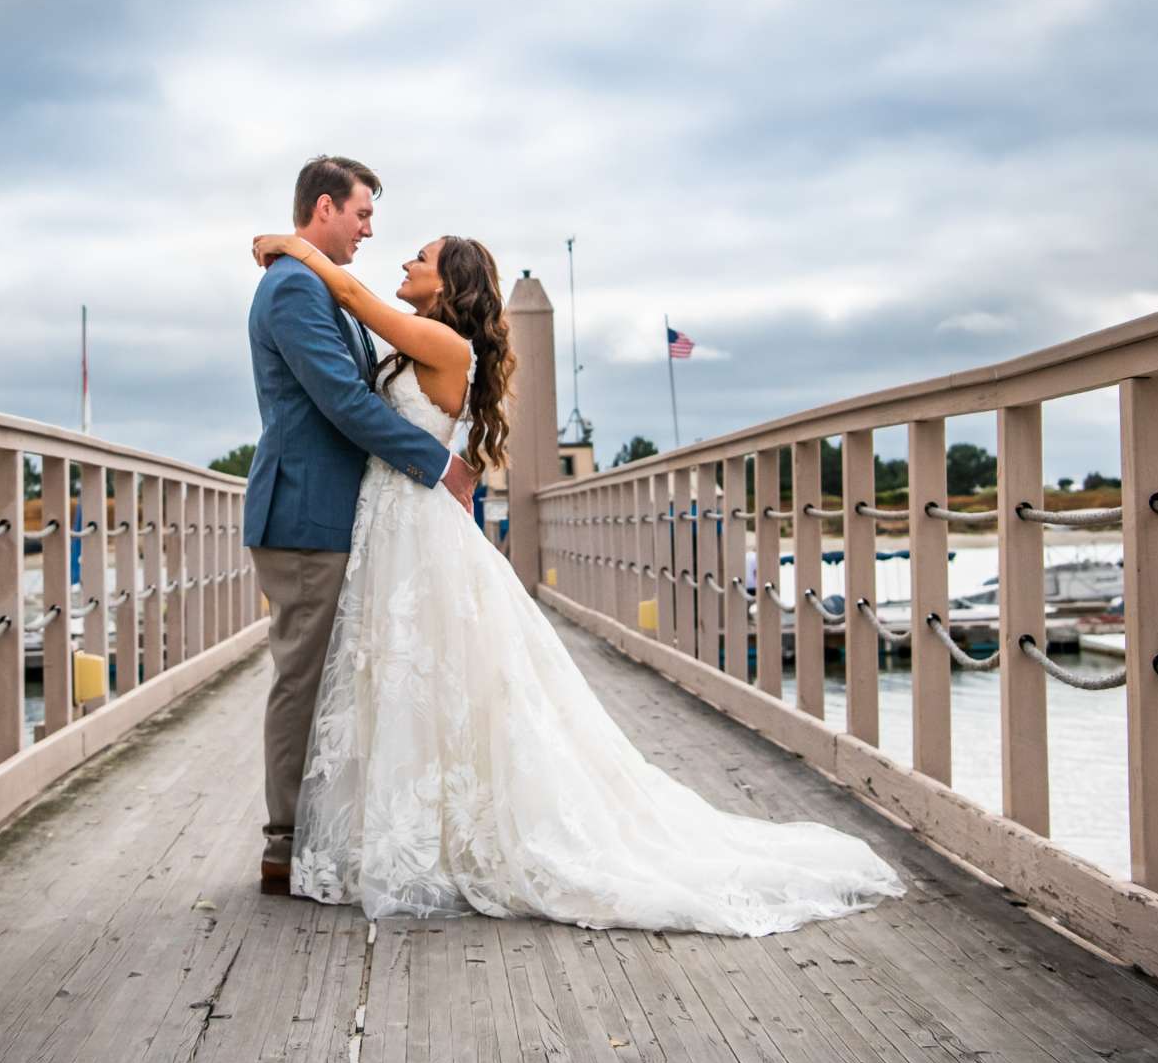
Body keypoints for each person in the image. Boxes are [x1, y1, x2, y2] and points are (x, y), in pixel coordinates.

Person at [249, 225, 905, 936]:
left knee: (429, 670)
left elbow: (348, 292)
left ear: (451, 283)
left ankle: (436, 834)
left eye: (423, 257)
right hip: (390, 525)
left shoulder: (443, 345)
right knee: (400, 674)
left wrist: (287, 242)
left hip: (414, 523)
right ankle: (395, 825)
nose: (406, 260)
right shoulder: (421, 338)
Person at [244, 156, 480, 898]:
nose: (372, 230)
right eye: (362, 214)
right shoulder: (293, 290)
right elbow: (345, 402)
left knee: (343, 679)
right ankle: (284, 845)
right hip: (307, 512)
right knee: (305, 680)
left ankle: (328, 831)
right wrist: (441, 466)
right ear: (323, 208)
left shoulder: (318, 284)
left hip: (349, 514)